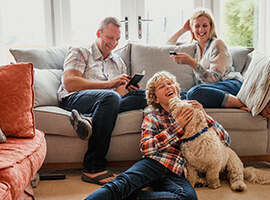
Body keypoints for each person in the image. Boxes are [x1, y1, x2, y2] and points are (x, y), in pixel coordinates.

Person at [84, 71, 231, 200]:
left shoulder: (193, 113)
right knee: (122, 184)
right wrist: (177, 126)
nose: (168, 87)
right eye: (162, 86)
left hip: (177, 169)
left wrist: (205, 116)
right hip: (153, 163)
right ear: (156, 99)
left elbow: (226, 140)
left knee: (187, 197)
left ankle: (134, 197)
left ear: (177, 90)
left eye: (170, 83)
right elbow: (146, 148)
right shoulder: (152, 118)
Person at [57, 17, 147, 185]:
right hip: (74, 98)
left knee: (144, 95)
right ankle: (93, 167)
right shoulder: (80, 51)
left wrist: (128, 89)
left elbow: (118, 96)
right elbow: (70, 83)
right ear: (99, 33)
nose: (114, 43)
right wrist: (109, 85)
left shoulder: (118, 61)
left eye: (117, 39)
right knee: (110, 97)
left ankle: (90, 118)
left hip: (106, 103)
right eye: (110, 37)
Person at [167, 8, 270, 118]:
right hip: (211, 90)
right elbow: (168, 44)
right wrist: (183, 29)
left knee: (194, 93)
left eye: (205, 25)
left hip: (231, 84)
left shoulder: (217, 44)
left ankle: (248, 103)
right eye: (197, 26)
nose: (201, 29)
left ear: (210, 27)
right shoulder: (195, 47)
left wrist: (192, 63)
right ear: (192, 28)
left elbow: (214, 79)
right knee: (178, 96)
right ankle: (235, 103)